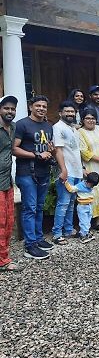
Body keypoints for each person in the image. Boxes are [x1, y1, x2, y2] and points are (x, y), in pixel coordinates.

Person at [13, 95, 55, 260]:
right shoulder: (22, 124)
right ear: (31, 107)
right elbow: (14, 149)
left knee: (38, 207)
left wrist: (49, 151)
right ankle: (29, 246)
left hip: (43, 172)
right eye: (38, 106)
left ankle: (38, 238)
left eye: (44, 106)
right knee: (29, 208)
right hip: (26, 172)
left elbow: (48, 148)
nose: (41, 109)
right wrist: (36, 154)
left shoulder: (47, 125)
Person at [51, 101, 84, 245]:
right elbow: (57, 150)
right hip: (66, 171)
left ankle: (68, 229)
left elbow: (75, 151)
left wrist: (82, 169)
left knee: (71, 203)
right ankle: (57, 233)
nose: (70, 114)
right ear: (60, 113)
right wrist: (63, 170)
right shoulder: (57, 128)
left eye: (72, 112)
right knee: (63, 203)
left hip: (76, 171)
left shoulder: (73, 129)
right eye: (67, 111)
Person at [0, 95, 19, 271]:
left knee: (8, 221)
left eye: (12, 109)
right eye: (6, 108)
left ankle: (4, 257)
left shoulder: (13, 127)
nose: (10, 111)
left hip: (7, 181)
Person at [64, 172, 99, 243]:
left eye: (93, 186)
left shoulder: (91, 185)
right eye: (91, 185)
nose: (91, 187)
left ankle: (86, 232)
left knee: (88, 220)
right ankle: (83, 235)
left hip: (89, 205)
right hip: (82, 206)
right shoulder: (80, 186)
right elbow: (71, 189)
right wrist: (66, 182)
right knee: (83, 221)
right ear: (87, 181)